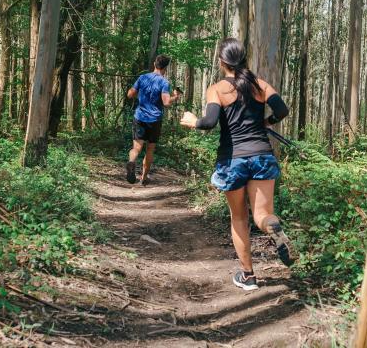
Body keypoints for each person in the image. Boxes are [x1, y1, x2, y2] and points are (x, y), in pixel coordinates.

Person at [180, 38, 294, 291]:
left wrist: (192, 121)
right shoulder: (260, 84)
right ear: (244, 59)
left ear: (222, 61)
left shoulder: (217, 89)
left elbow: (209, 122)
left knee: (239, 218)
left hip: (233, 160)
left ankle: (248, 276)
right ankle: (273, 227)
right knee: (263, 215)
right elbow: (282, 110)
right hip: (262, 155)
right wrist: (268, 122)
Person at [126, 54, 181, 185]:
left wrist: (140, 94)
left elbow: (129, 94)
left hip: (139, 117)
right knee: (150, 149)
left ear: (154, 64)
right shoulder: (163, 82)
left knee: (136, 147)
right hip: (155, 119)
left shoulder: (142, 77)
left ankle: (132, 162)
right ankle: (144, 177)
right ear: (165, 68)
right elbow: (166, 102)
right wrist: (175, 97)